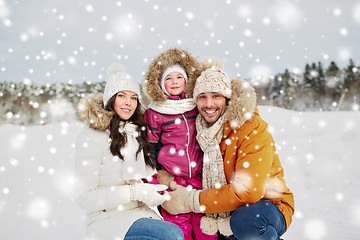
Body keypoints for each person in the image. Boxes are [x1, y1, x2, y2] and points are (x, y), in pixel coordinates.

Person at [161, 65, 295, 240]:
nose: (209, 104)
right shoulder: (201, 131)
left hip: (268, 206)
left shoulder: (251, 127)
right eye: (202, 97)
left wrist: (191, 200)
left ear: (227, 98)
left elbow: (249, 192)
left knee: (246, 222)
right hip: (226, 211)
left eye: (216, 96)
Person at [74, 63, 184, 240]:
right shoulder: (92, 137)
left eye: (133, 98)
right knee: (171, 236)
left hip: (140, 212)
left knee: (176, 234)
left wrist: (160, 191)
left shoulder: (137, 133)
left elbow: (149, 174)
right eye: (122, 96)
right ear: (110, 99)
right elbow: (83, 197)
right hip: (107, 218)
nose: (128, 103)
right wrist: (135, 192)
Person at [143, 48, 217, 240]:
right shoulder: (155, 112)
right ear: (160, 84)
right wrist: (157, 180)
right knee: (178, 229)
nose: (174, 82)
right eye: (168, 78)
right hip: (174, 181)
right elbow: (149, 149)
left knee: (205, 228)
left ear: (187, 81)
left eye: (179, 77)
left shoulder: (196, 105)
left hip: (201, 179)